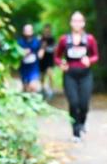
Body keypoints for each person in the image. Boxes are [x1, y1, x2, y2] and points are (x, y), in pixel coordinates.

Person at [54, 11, 99, 142]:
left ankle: (82, 122)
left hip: (85, 75)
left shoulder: (89, 39)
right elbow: (57, 57)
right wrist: (61, 63)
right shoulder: (64, 39)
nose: (77, 23)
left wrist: (89, 60)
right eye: (74, 20)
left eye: (79, 21)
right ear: (71, 23)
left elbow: (96, 55)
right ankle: (76, 132)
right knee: (74, 103)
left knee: (84, 104)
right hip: (70, 75)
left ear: (83, 23)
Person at [17, 23, 43, 94]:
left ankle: (34, 99)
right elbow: (15, 54)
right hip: (24, 68)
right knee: (25, 88)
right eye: (26, 30)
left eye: (29, 30)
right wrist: (22, 53)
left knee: (33, 86)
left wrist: (41, 52)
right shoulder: (19, 42)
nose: (28, 32)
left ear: (32, 31)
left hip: (34, 67)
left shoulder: (36, 41)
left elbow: (41, 49)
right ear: (23, 32)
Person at [38, 24, 57, 100]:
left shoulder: (52, 39)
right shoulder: (40, 39)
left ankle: (51, 90)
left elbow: (54, 48)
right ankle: (42, 89)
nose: (46, 32)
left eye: (48, 30)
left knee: (50, 74)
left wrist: (46, 47)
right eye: (45, 30)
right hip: (42, 60)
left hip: (49, 59)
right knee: (42, 75)